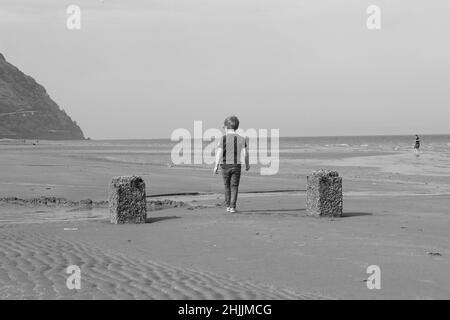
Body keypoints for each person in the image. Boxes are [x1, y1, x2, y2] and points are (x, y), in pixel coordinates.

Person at [213, 116, 250, 213]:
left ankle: (228, 206)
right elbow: (245, 154)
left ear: (225, 127)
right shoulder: (242, 138)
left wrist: (216, 165)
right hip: (236, 166)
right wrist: (247, 165)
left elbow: (219, 153)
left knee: (227, 186)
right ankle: (233, 207)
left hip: (224, 166)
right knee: (234, 186)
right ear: (237, 127)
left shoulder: (223, 139)